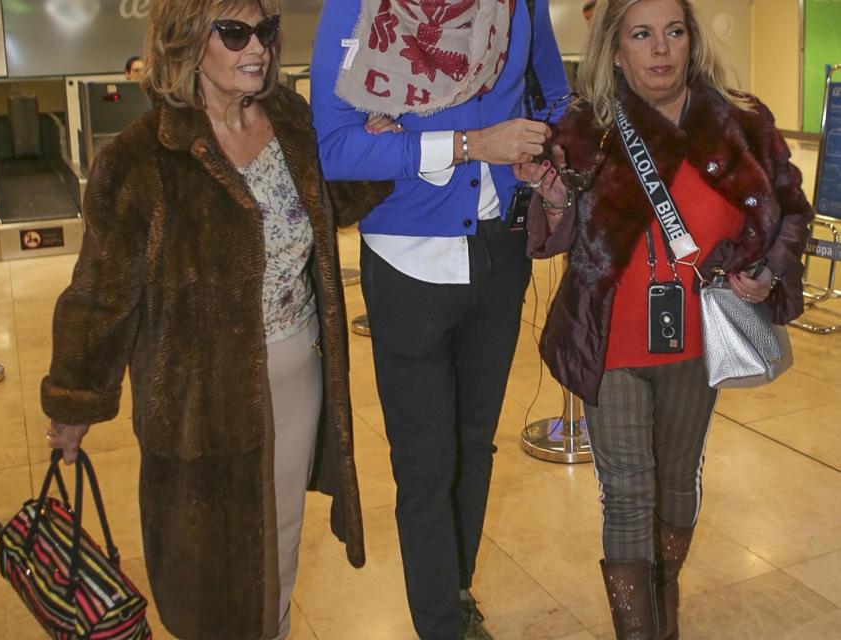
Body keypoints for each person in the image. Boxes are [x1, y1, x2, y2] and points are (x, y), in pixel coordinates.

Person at [42, 1, 388, 638]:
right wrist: (76, 402)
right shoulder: (141, 158)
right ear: (187, 41)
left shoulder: (289, 119)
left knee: (278, 540)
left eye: (263, 31)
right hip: (198, 398)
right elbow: (100, 294)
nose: (256, 46)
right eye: (234, 33)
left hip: (297, 372)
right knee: (206, 567)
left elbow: (328, 203)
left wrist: (376, 154)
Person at [517, 0, 813, 638]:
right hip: (611, 338)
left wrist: (767, 270)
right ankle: (640, 630)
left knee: (677, 482)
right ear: (615, 48)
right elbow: (552, 237)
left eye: (673, 32)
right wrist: (552, 195)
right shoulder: (585, 126)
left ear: (691, 39)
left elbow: (791, 209)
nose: (660, 50)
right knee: (626, 492)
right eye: (642, 35)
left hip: (698, 339)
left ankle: (663, 597)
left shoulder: (742, 121)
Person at [311, 1, 569, 638]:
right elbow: (335, 147)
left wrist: (542, 155)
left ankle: (454, 591)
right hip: (405, 259)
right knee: (425, 462)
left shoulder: (519, 5)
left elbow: (557, 102)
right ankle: (438, 625)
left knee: (474, 444)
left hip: (498, 250)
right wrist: (470, 145)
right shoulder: (360, 7)